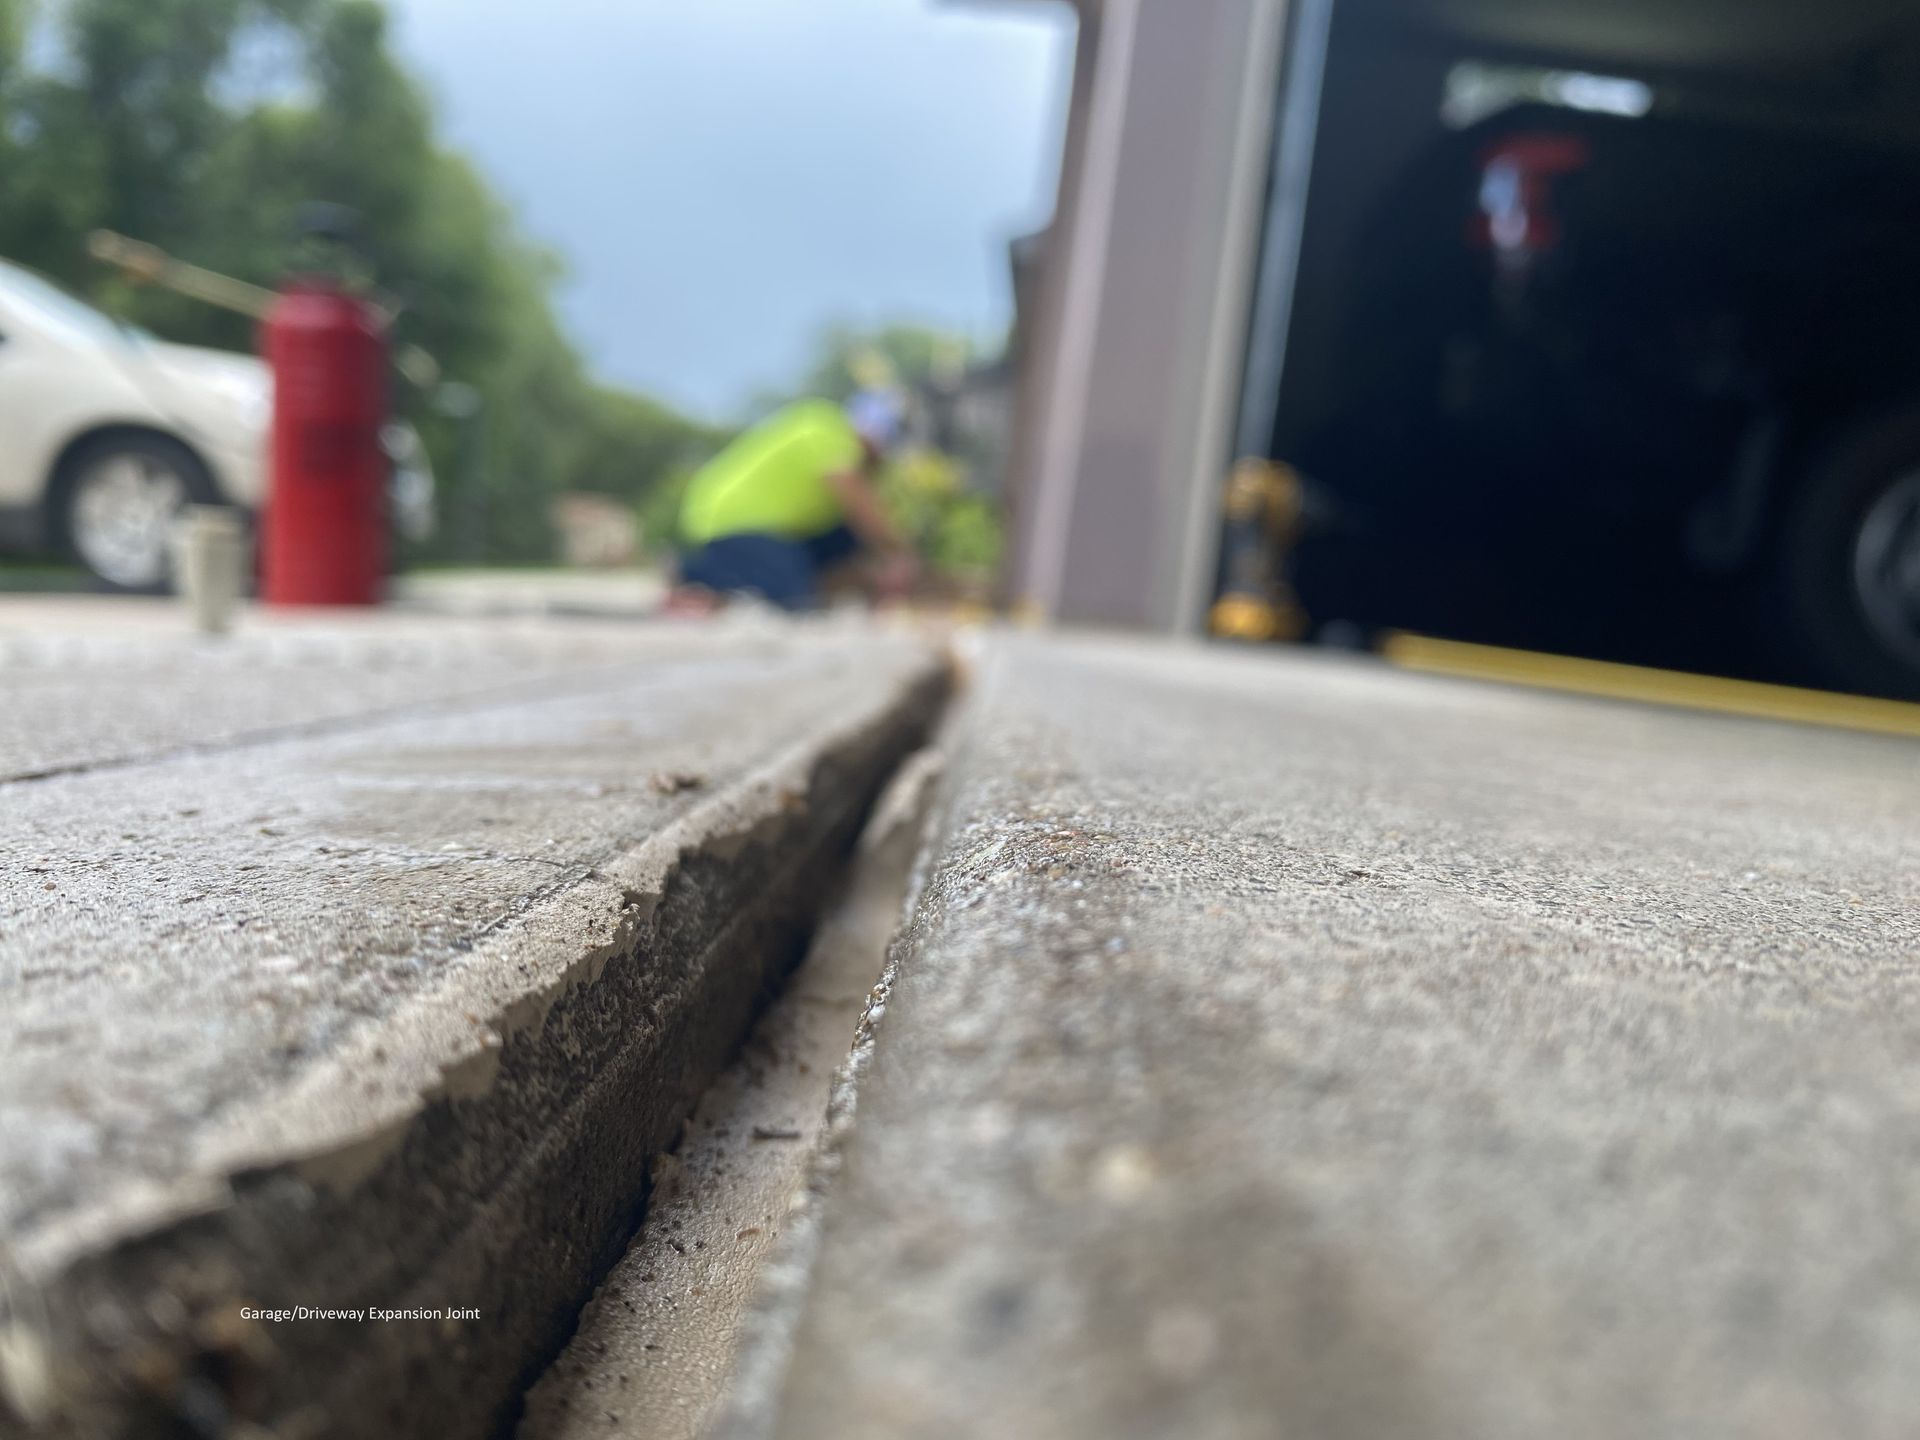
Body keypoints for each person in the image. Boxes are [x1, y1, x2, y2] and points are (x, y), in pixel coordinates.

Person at [672, 392, 919, 611]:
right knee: (791, 598)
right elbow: (864, 509)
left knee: (846, 539)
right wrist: (902, 555)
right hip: (729, 525)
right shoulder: (825, 427)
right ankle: (697, 575)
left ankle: (821, 589)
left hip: (780, 535)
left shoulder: (855, 464)